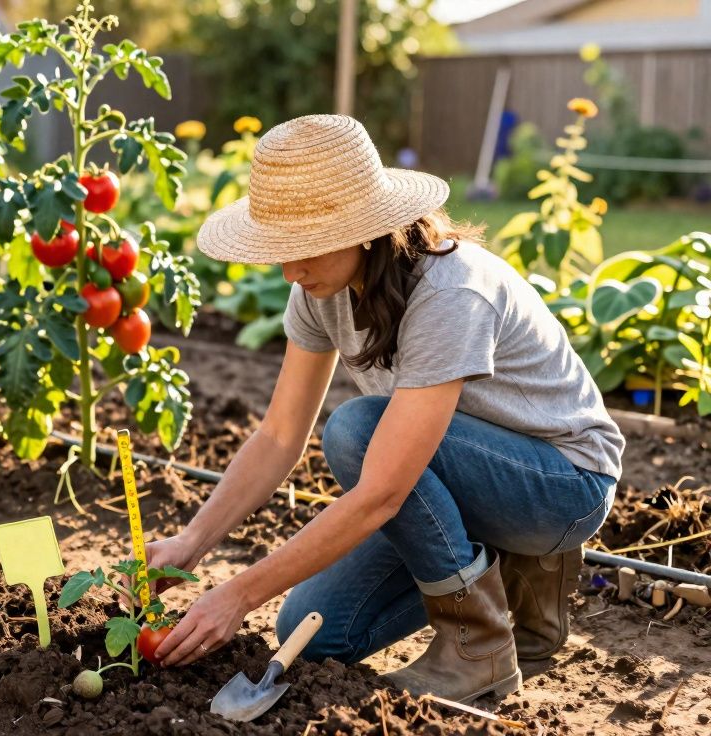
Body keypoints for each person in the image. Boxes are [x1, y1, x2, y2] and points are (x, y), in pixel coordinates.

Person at [144, 114, 623, 705]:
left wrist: (239, 594)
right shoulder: (320, 292)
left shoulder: (450, 292)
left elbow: (382, 494)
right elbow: (277, 437)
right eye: (279, 250)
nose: (289, 270)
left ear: (364, 228)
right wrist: (190, 544)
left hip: (561, 486)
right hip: (462, 480)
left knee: (354, 431)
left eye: (305, 248)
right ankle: (518, 579)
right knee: (311, 630)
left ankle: (481, 651)